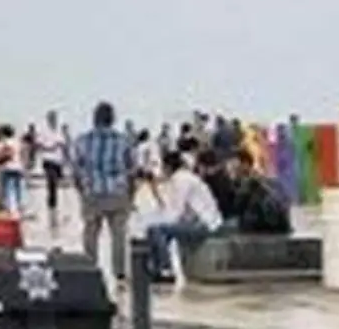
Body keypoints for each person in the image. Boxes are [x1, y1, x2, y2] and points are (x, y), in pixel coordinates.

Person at [73, 101, 135, 281]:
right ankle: (120, 273)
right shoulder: (123, 140)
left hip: (92, 192)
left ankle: (90, 270)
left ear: (94, 119)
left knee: (91, 233)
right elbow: (131, 171)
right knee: (118, 235)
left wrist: (82, 191)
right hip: (117, 193)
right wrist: (130, 197)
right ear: (112, 119)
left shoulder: (82, 141)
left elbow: (76, 170)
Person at [145, 151, 225, 280]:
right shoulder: (184, 177)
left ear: (168, 167)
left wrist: (156, 219)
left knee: (156, 230)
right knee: (158, 229)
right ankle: (159, 268)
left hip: (204, 224)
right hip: (207, 221)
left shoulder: (181, 180)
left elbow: (175, 212)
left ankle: (165, 269)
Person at [36, 118, 68, 222]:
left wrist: (66, 160)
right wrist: (49, 147)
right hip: (48, 160)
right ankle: (51, 205)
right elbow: (38, 144)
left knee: (56, 183)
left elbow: (64, 146)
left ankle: (55, 205)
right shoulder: (44, 132)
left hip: (58, 161)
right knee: (51, 182)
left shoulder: (59, 133)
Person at [0, 126, 26, 215]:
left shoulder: (1, 143)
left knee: (7, 190)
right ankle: (17, 209)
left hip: (6, 168)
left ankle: (10, 210)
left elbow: (0, 156)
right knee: (16, 190)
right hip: (17, 168)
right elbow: (22, 155)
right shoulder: (17, 142)